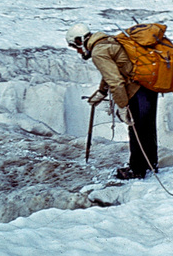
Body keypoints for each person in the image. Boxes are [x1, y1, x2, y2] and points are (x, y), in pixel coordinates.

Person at [66, 23, 158, 180]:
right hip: (149, 85)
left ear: (80, 41)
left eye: (76, 47)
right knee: (147, 128)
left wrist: (123, 106)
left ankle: (136, 170)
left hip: (137, 90)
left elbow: (115, 81)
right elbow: (112, 72)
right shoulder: (108, 41)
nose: (79, 51)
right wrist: (102, 92)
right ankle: (150, 165)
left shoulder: (98, 52)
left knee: (135, 128)